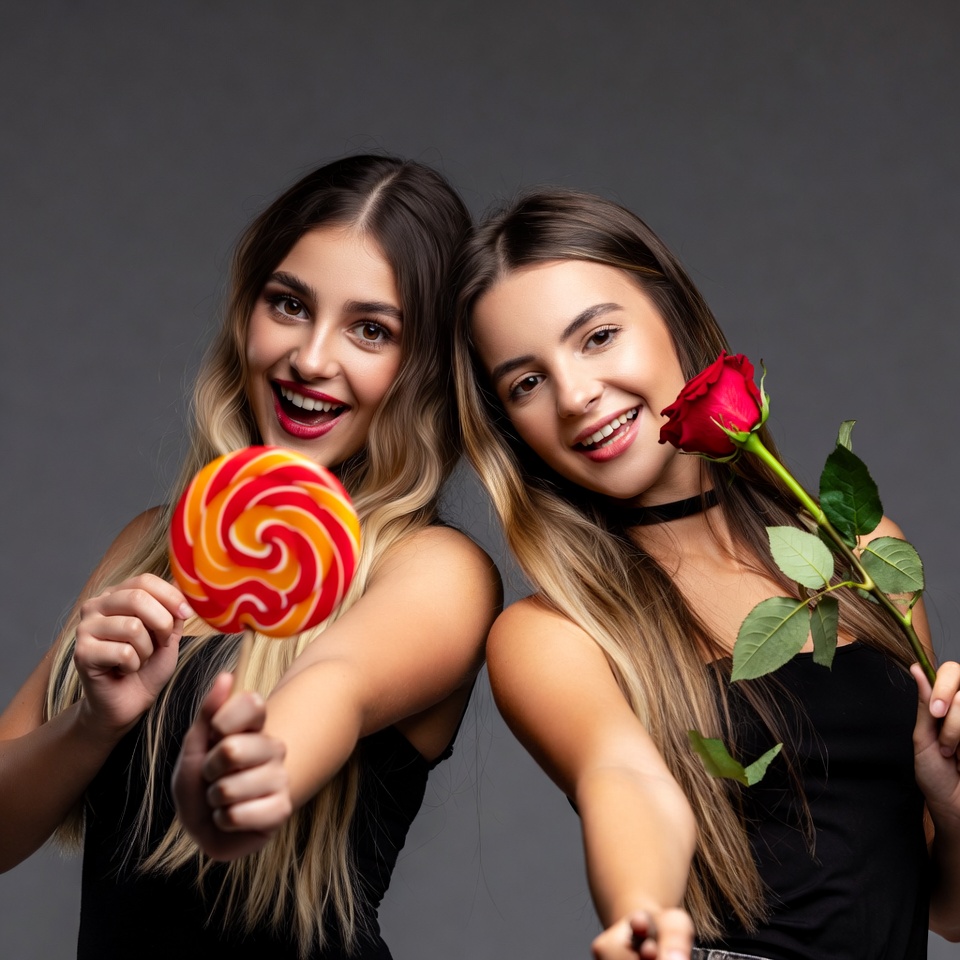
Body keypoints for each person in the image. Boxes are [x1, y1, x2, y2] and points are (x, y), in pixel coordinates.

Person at [0, 155, 500, 959]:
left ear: (427, 368)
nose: (312, 358)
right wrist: (93, 723)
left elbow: (333, 690)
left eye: (372, 330)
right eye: (290, 305)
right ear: (247, 313)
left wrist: (242, 777)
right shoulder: (150, 543)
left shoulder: (436, 571)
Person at [451, 188, 960, 960]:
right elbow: (620, 778)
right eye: (527, 383)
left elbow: (946, 911)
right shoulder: (553, 633)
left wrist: (951, 801)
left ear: (676, 319)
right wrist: (642, 913)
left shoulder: (864, 553)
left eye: (598, 337)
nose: (575, 396)